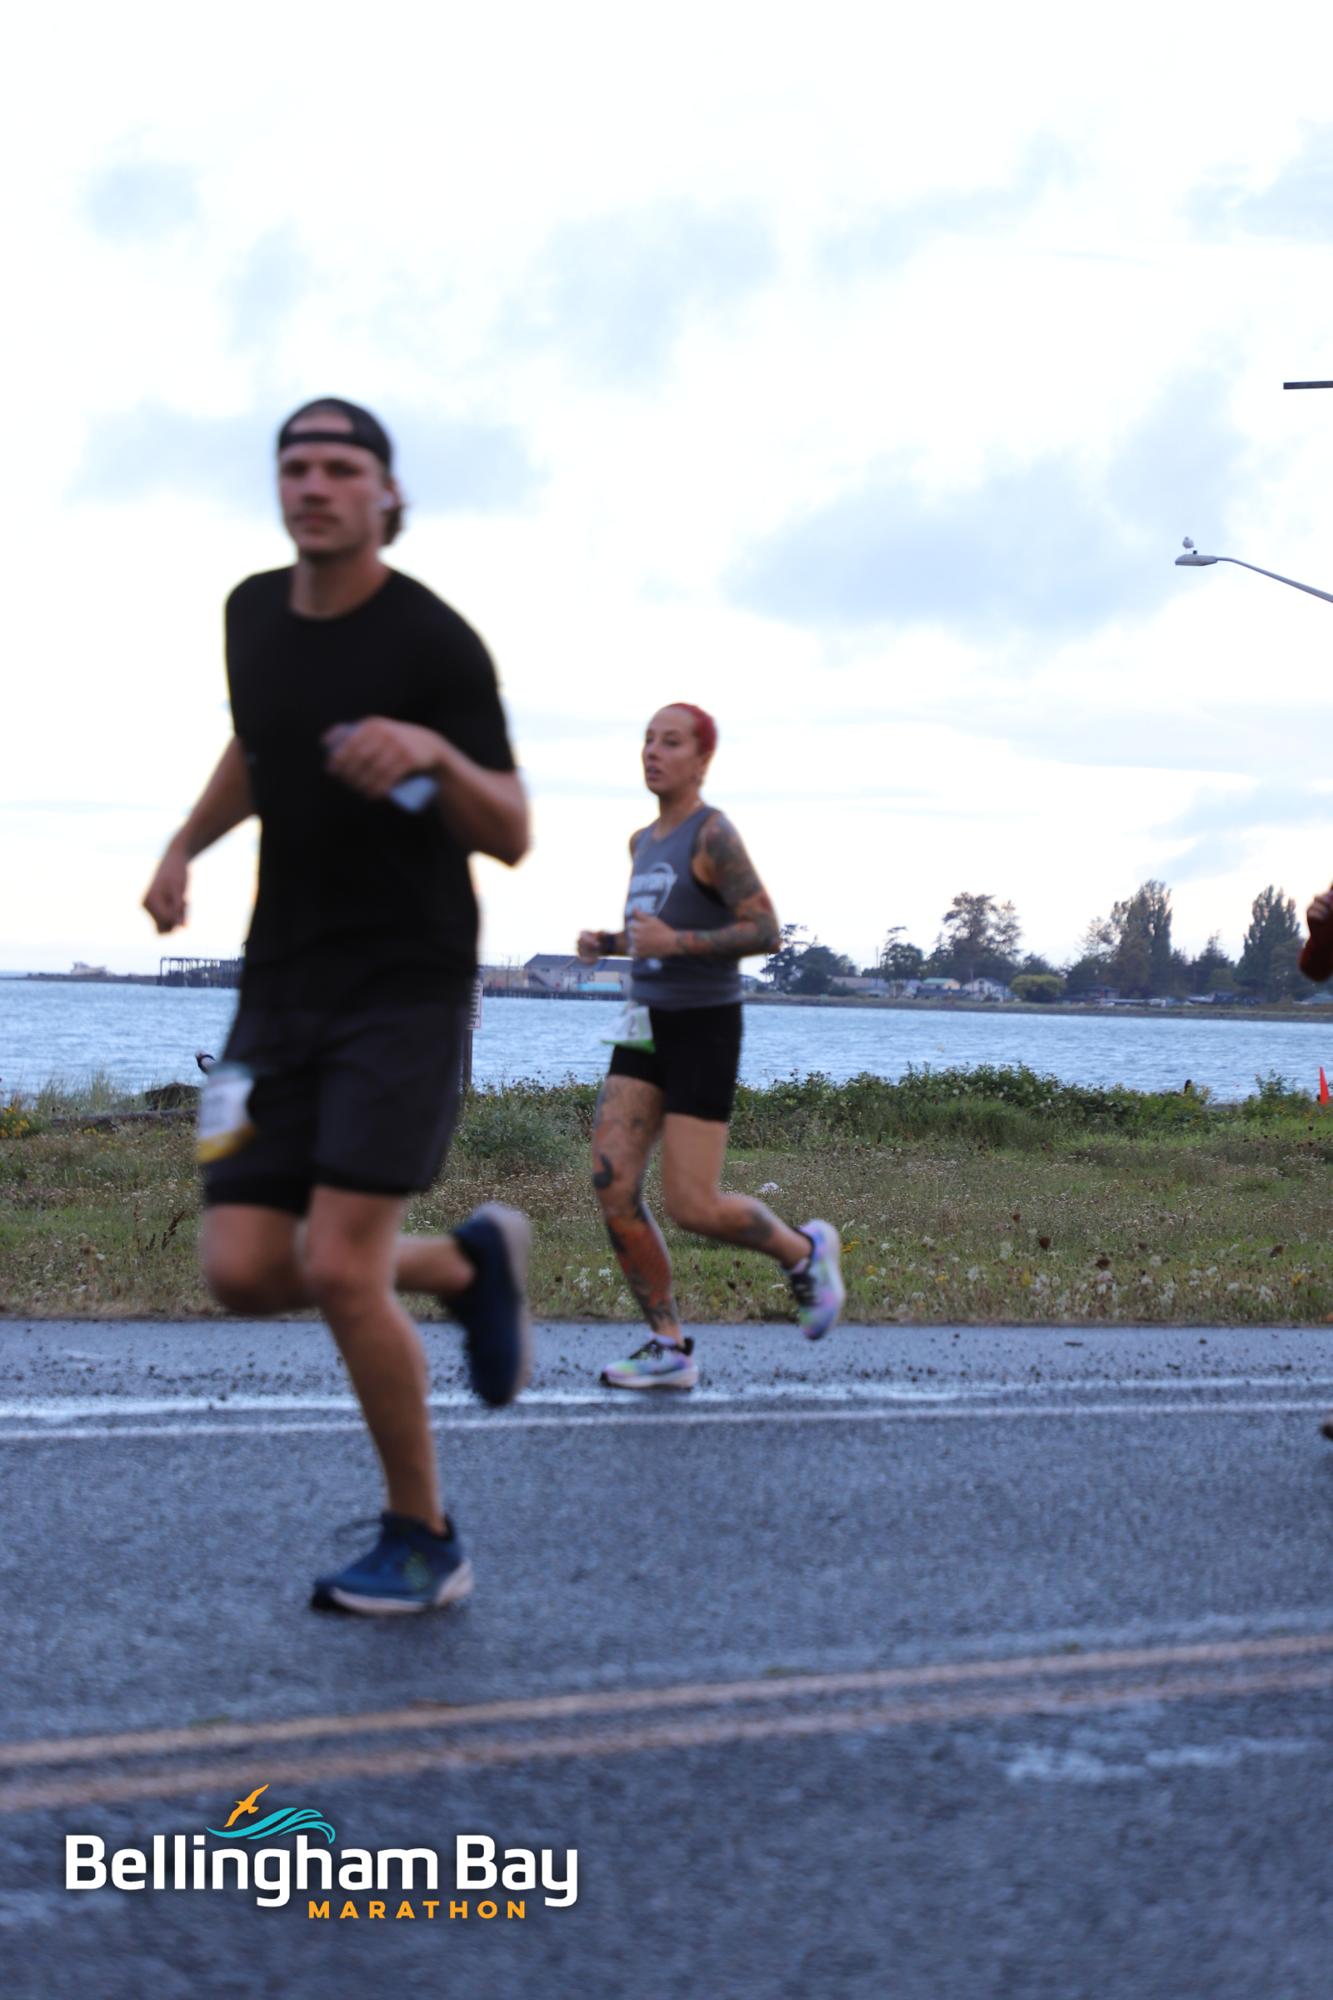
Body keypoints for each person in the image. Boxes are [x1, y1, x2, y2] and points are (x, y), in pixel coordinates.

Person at [143, 397, 532, 1613]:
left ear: (385, 494)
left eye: (340, 467)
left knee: (342, 1264)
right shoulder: (250, 613)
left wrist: (431, 752)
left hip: (403, 984)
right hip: (279, 982)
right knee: (244, 1266)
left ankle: (426, 1539)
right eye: (295, 466)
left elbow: (511, 829)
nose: (313, 485)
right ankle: (463, 1265)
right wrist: (184, 845)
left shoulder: (435, 642)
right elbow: (259, 747)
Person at [578, 702, 844, 1389]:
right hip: (643, 1023)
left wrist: (675, 943)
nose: (652, 752)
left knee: (692, 1206)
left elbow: (765, 930)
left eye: (670, 742)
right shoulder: (642, 842)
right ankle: (668, 1346)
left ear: (701, 761)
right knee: (611, 1182)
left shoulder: (713, 833)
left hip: (703, 1025)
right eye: (647, 740)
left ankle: (803, 1251)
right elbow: (656, 932)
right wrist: (608, 942)